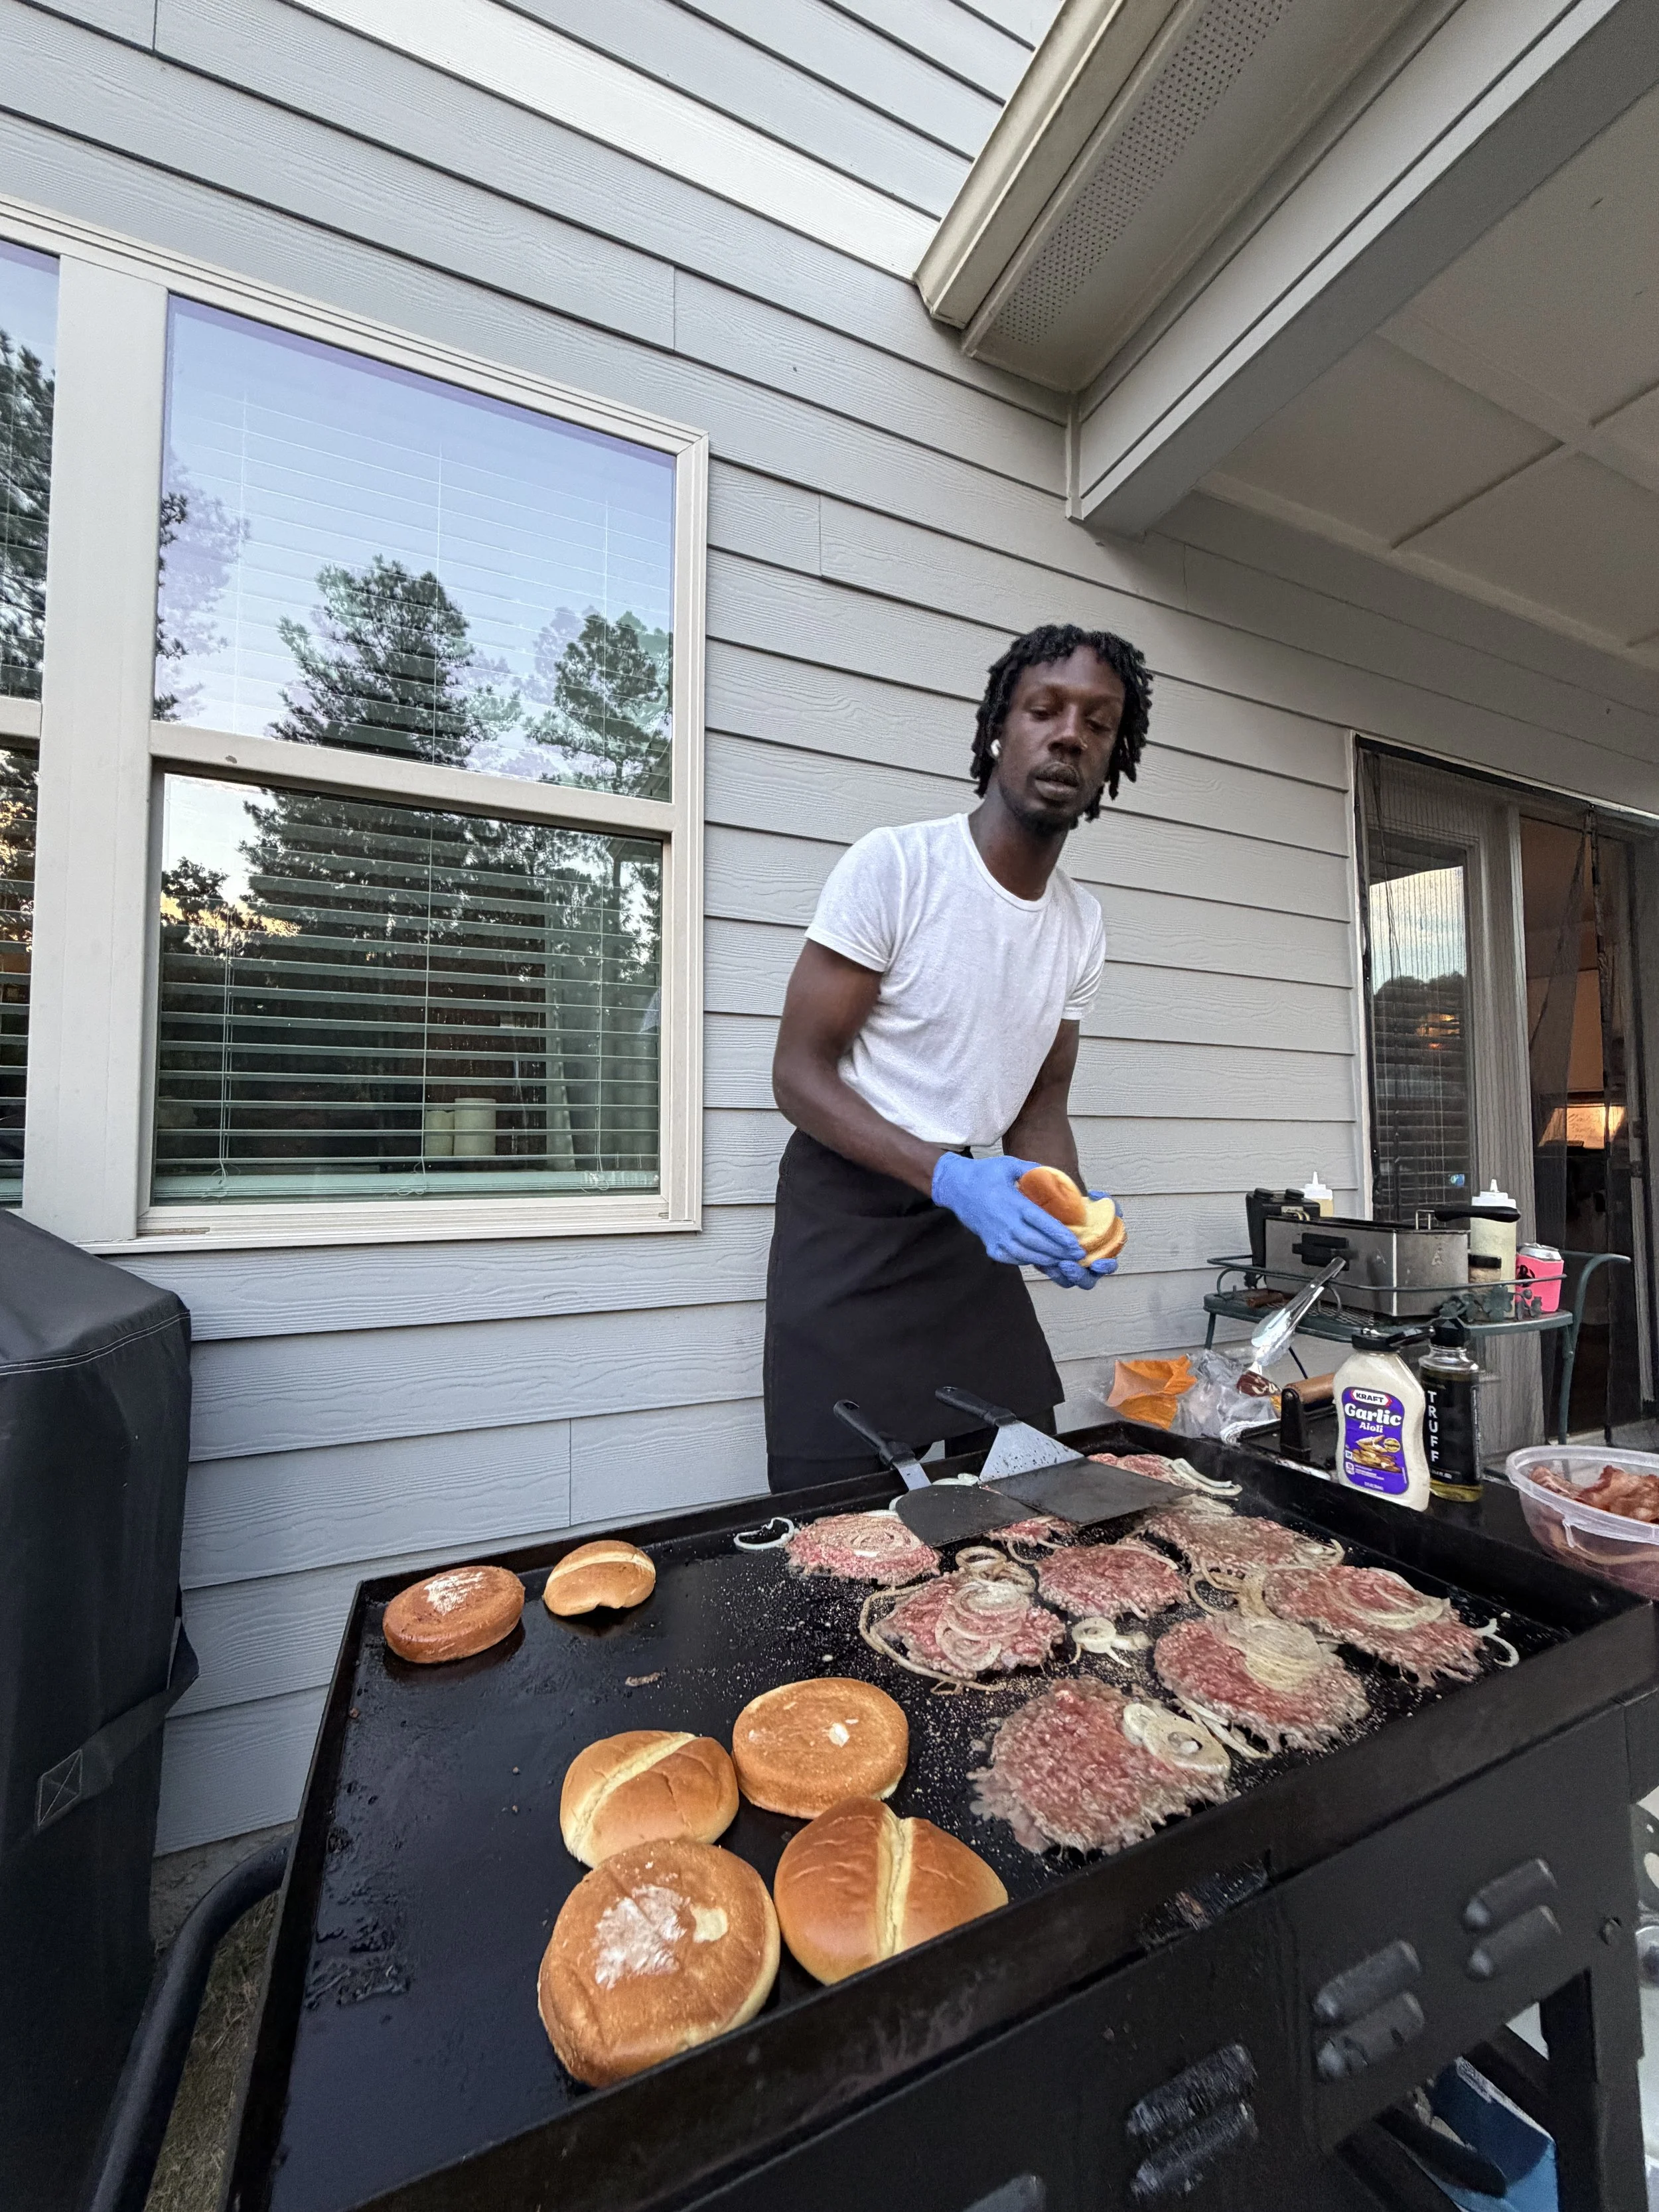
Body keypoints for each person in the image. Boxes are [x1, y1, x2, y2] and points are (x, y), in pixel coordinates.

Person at [764, 622, 1152, 1494]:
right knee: (835, 1521)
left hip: (962, 1227)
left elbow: (1041, 1106)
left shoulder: (1081, 924)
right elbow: (797, 1074)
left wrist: (1071, 1214)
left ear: (1114, 753)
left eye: (1099, 721)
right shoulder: (896, 867)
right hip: (847, 1217)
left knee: (1032, 1491)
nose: (1069, 734)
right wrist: (949, 1177)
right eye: (1044, 709)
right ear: (996, 731)